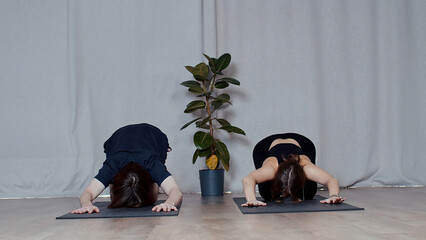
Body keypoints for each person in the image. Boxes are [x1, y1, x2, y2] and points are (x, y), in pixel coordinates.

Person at [71, 123, 183, 214]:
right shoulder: (113, 165)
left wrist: (170, 202)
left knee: (158, 174)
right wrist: (87, 205)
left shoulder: (151, 162)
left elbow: (175, 191)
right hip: (118, 138)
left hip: (153, 135)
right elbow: (88, 193)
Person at [242, 133, 345, 207]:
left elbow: (331, 179)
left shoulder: (306, 167)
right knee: (265, 193)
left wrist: (333, 196)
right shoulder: (271, 168)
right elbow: (248, 179)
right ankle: (280, 188)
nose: (285, 194)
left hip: (302, 143)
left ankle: (295, 189)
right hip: (265, 146)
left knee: (309, 193)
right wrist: (251, 199)